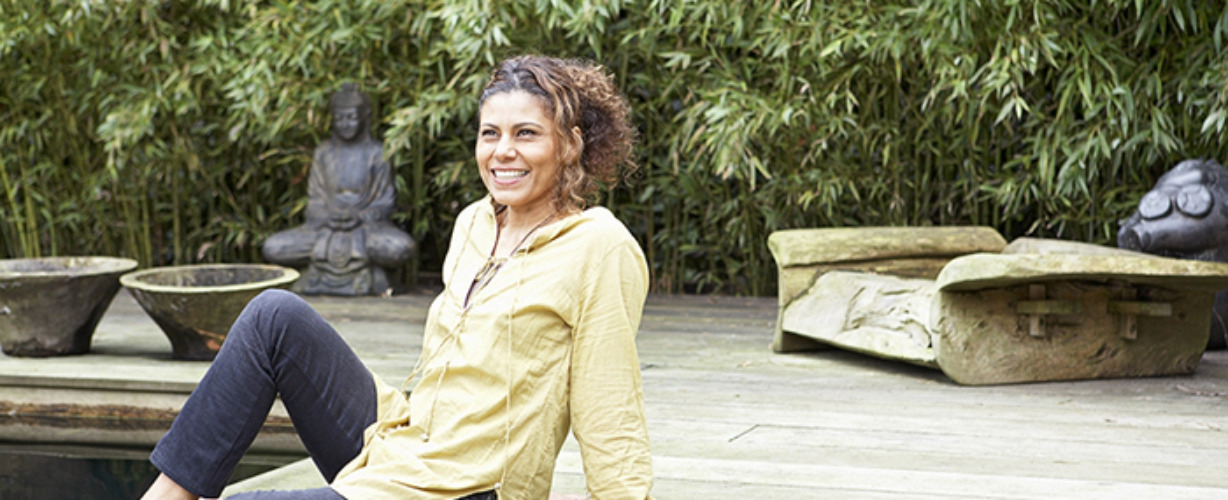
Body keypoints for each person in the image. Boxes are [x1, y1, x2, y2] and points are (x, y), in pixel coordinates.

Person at [141, 55, 653, 500]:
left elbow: (611, 410)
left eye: (526, 134)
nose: (502, 151)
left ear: (570, 144)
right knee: (273, 316)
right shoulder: (475, 223)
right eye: (490, 133)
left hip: (465, 489)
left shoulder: (598, 247)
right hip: (404, 446)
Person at [262, 83, 415, 296]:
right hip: (325, 227)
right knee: (274, 247)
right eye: (339, 118)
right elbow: (315, 202)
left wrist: (358, 216)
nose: (345, 124)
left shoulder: (377, 152)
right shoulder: (324, 152)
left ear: (365, 117)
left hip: (367, 228)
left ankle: (365, 272)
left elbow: (385, 203)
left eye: (351, 117)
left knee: (400, 247)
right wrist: (329, 216)